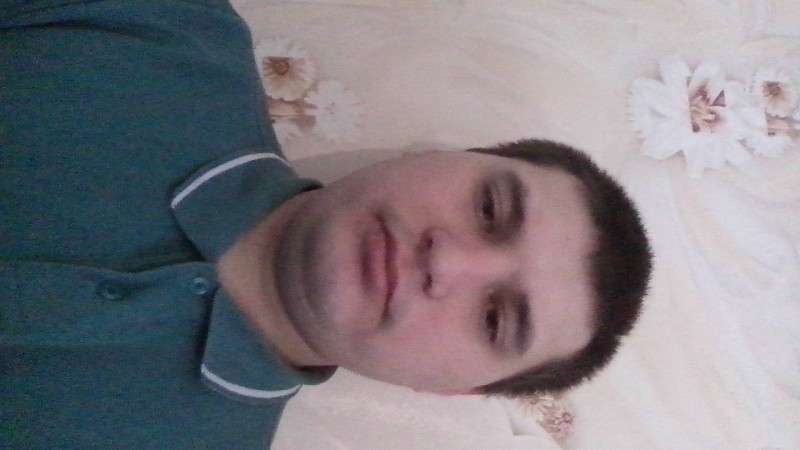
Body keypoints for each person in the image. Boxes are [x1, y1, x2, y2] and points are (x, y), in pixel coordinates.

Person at [0, 0, 652, 448]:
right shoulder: (164, 25)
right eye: (489, 210)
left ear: (454, 391)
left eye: (494, 319)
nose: (447, 261)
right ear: (440, 154)